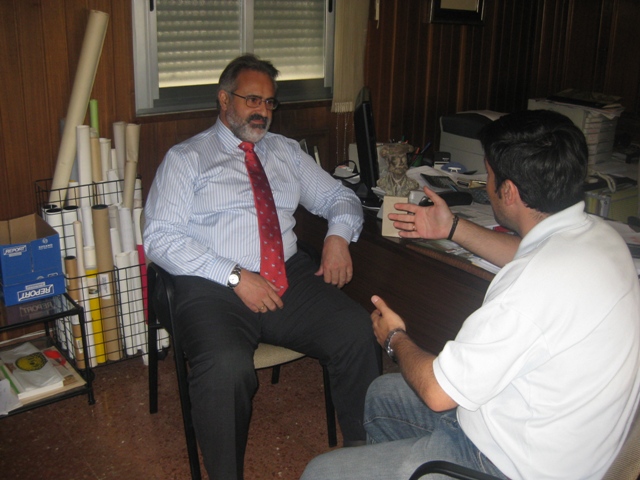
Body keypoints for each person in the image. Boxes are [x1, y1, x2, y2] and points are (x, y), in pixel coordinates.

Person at [301, 109, 640, 480]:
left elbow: (435, 392)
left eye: (490, 176)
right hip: (552, 434)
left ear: (508, 191)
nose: (488, 184)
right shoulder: (599, 235)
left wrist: (394, 338)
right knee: (384, 395)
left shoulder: (526, 293)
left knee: (320, 473)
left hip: (508, 465)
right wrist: (453, 228)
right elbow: (525, 252)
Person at [143, 54, 380, 480]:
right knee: (225, 367)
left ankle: (363, 456)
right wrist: (234, 274)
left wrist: (337, 237)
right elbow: (160, 237)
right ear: (223, 99)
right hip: (212, 285)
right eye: (253, 99)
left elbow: (339, 198)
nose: (263, 112)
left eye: (270, 103)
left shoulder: (285, 152)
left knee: (356, 330)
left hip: (287, 276)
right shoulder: (188, 158)